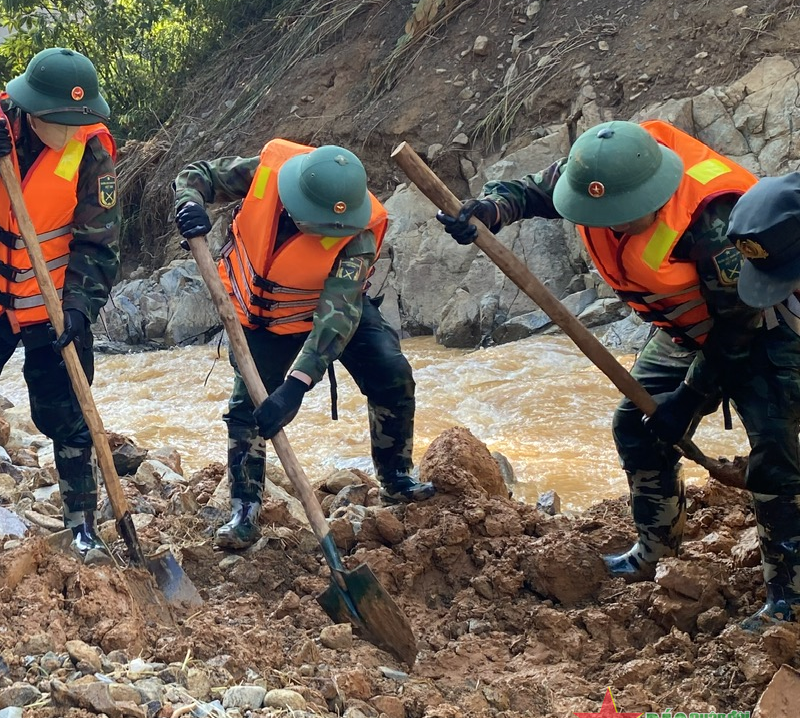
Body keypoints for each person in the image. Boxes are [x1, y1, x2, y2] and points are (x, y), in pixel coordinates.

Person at [437, 120, 767, 594]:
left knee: (776, 458)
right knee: (637, 428)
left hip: (758, 331)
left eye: (624, 215)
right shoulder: (591, 177)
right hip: (683, 330)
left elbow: (737, 328)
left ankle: (786, 593)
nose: (612, 224)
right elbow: (528, 192)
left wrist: (691, 397)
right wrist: (490, 209)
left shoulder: (715, 219)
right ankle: (655, 552)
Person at [173, 140, 435, 550]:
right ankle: (244, 508)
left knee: (392, 374)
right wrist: (189, 202)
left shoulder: (358, 231)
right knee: (248, 407)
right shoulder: (267, 172)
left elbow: (338, 315)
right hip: (263, 314)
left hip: (332, 304)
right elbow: (198, 175)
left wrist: (295, 388)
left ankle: (395, 477)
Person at [0, 48, 119, 563]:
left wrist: (81, 308)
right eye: (62, 120)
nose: (72, 128)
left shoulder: (92, 151)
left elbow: (99, 245)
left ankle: (82, 525)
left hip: (55, 304)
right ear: (32, 110)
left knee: (69, 414)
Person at [717, 172, 800, 629]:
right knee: (773, 455)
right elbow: (727, 343)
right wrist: (691, 396)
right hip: (780, 363)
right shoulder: (761, 290)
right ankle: (787, 596)